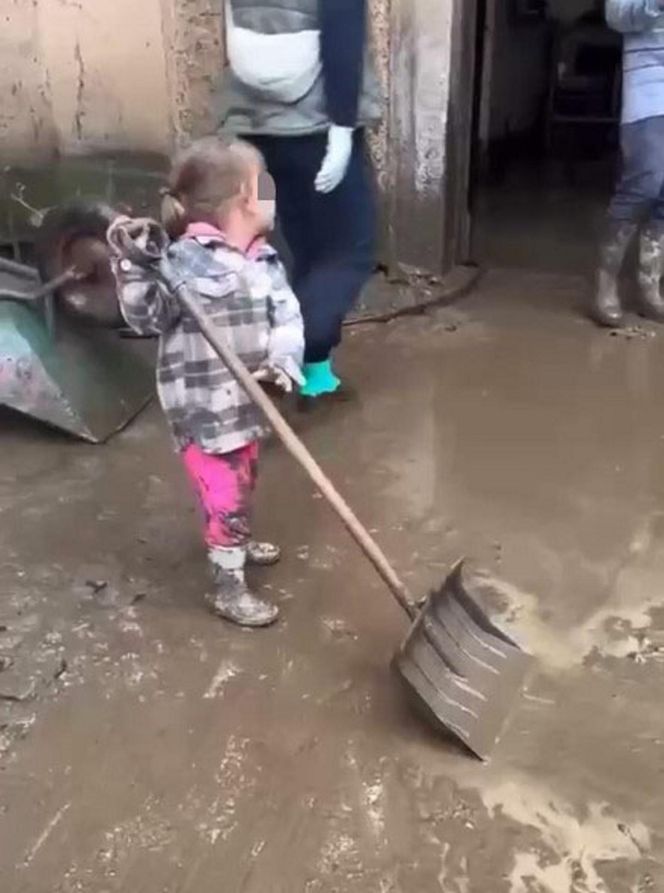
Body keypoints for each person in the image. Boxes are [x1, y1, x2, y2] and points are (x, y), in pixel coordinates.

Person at [109, 137, 305, 628]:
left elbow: (288, 317)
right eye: (268, 188)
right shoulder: (179, 263)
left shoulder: (265, 259)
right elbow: (145, 317)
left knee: (242, 483)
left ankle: (234, 536)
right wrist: (133, 264)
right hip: (204, 412)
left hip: (250, 405)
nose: (274, 198)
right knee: (226, 495)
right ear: (245, 196)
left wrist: (284, 362)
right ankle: (228, 585)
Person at [217, 0, 382, 405]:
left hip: (254, 142)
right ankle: (296, 357)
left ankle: (305, 368)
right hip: (317, 139)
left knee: (279, 242)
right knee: (348, 248)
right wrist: (342, 131)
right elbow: (343, 38)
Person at [593, 0, 664, 326]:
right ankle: (605, 283)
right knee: (644, 182)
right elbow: (616, 15)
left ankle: (650, 288)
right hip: (652, 82)